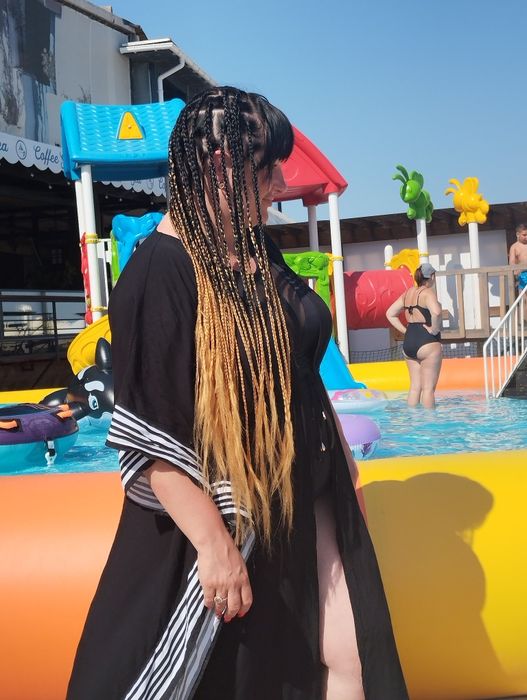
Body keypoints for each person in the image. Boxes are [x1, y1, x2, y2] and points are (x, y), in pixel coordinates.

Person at [67, 87, 408, 700]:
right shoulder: (161, 270)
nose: (280, 184)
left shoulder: (251, 247)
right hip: (234, 515)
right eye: (268, 168)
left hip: (305, 493)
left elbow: (299, 368)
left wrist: (339, 451)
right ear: (221, 165)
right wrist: (214, 546)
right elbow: (147, 435)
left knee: (355, 656)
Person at [386, 263, 442, 409]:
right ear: (432, 277)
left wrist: (405, 331)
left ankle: (412, 420)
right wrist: (434, 330)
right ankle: (430, 422)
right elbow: (436, 312)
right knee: (428, 389)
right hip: (427, 342)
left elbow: (390, 314)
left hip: (409, 342)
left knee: (415, 387)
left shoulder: (407, 293)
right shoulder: (428, 293)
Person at [509, 223, 527, 294]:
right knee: (524, 296)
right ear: (517, 234)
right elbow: (512, 263)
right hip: (522, 274)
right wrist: (516, 272)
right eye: (524, 235)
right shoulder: (514, 247)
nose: (526, 237)